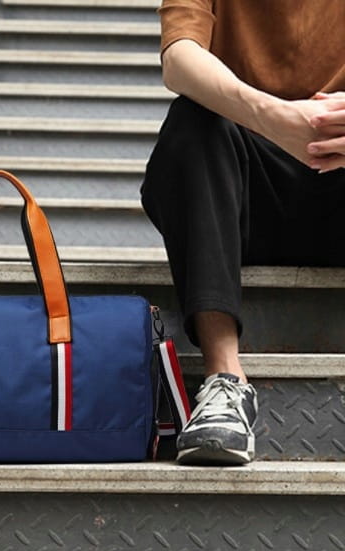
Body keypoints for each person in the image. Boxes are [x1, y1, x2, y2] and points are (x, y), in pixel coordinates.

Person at [141, 0, 345, 465]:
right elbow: (179, 58)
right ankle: (225, 382)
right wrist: (273, 116)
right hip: (240, 195)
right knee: (191, 120)